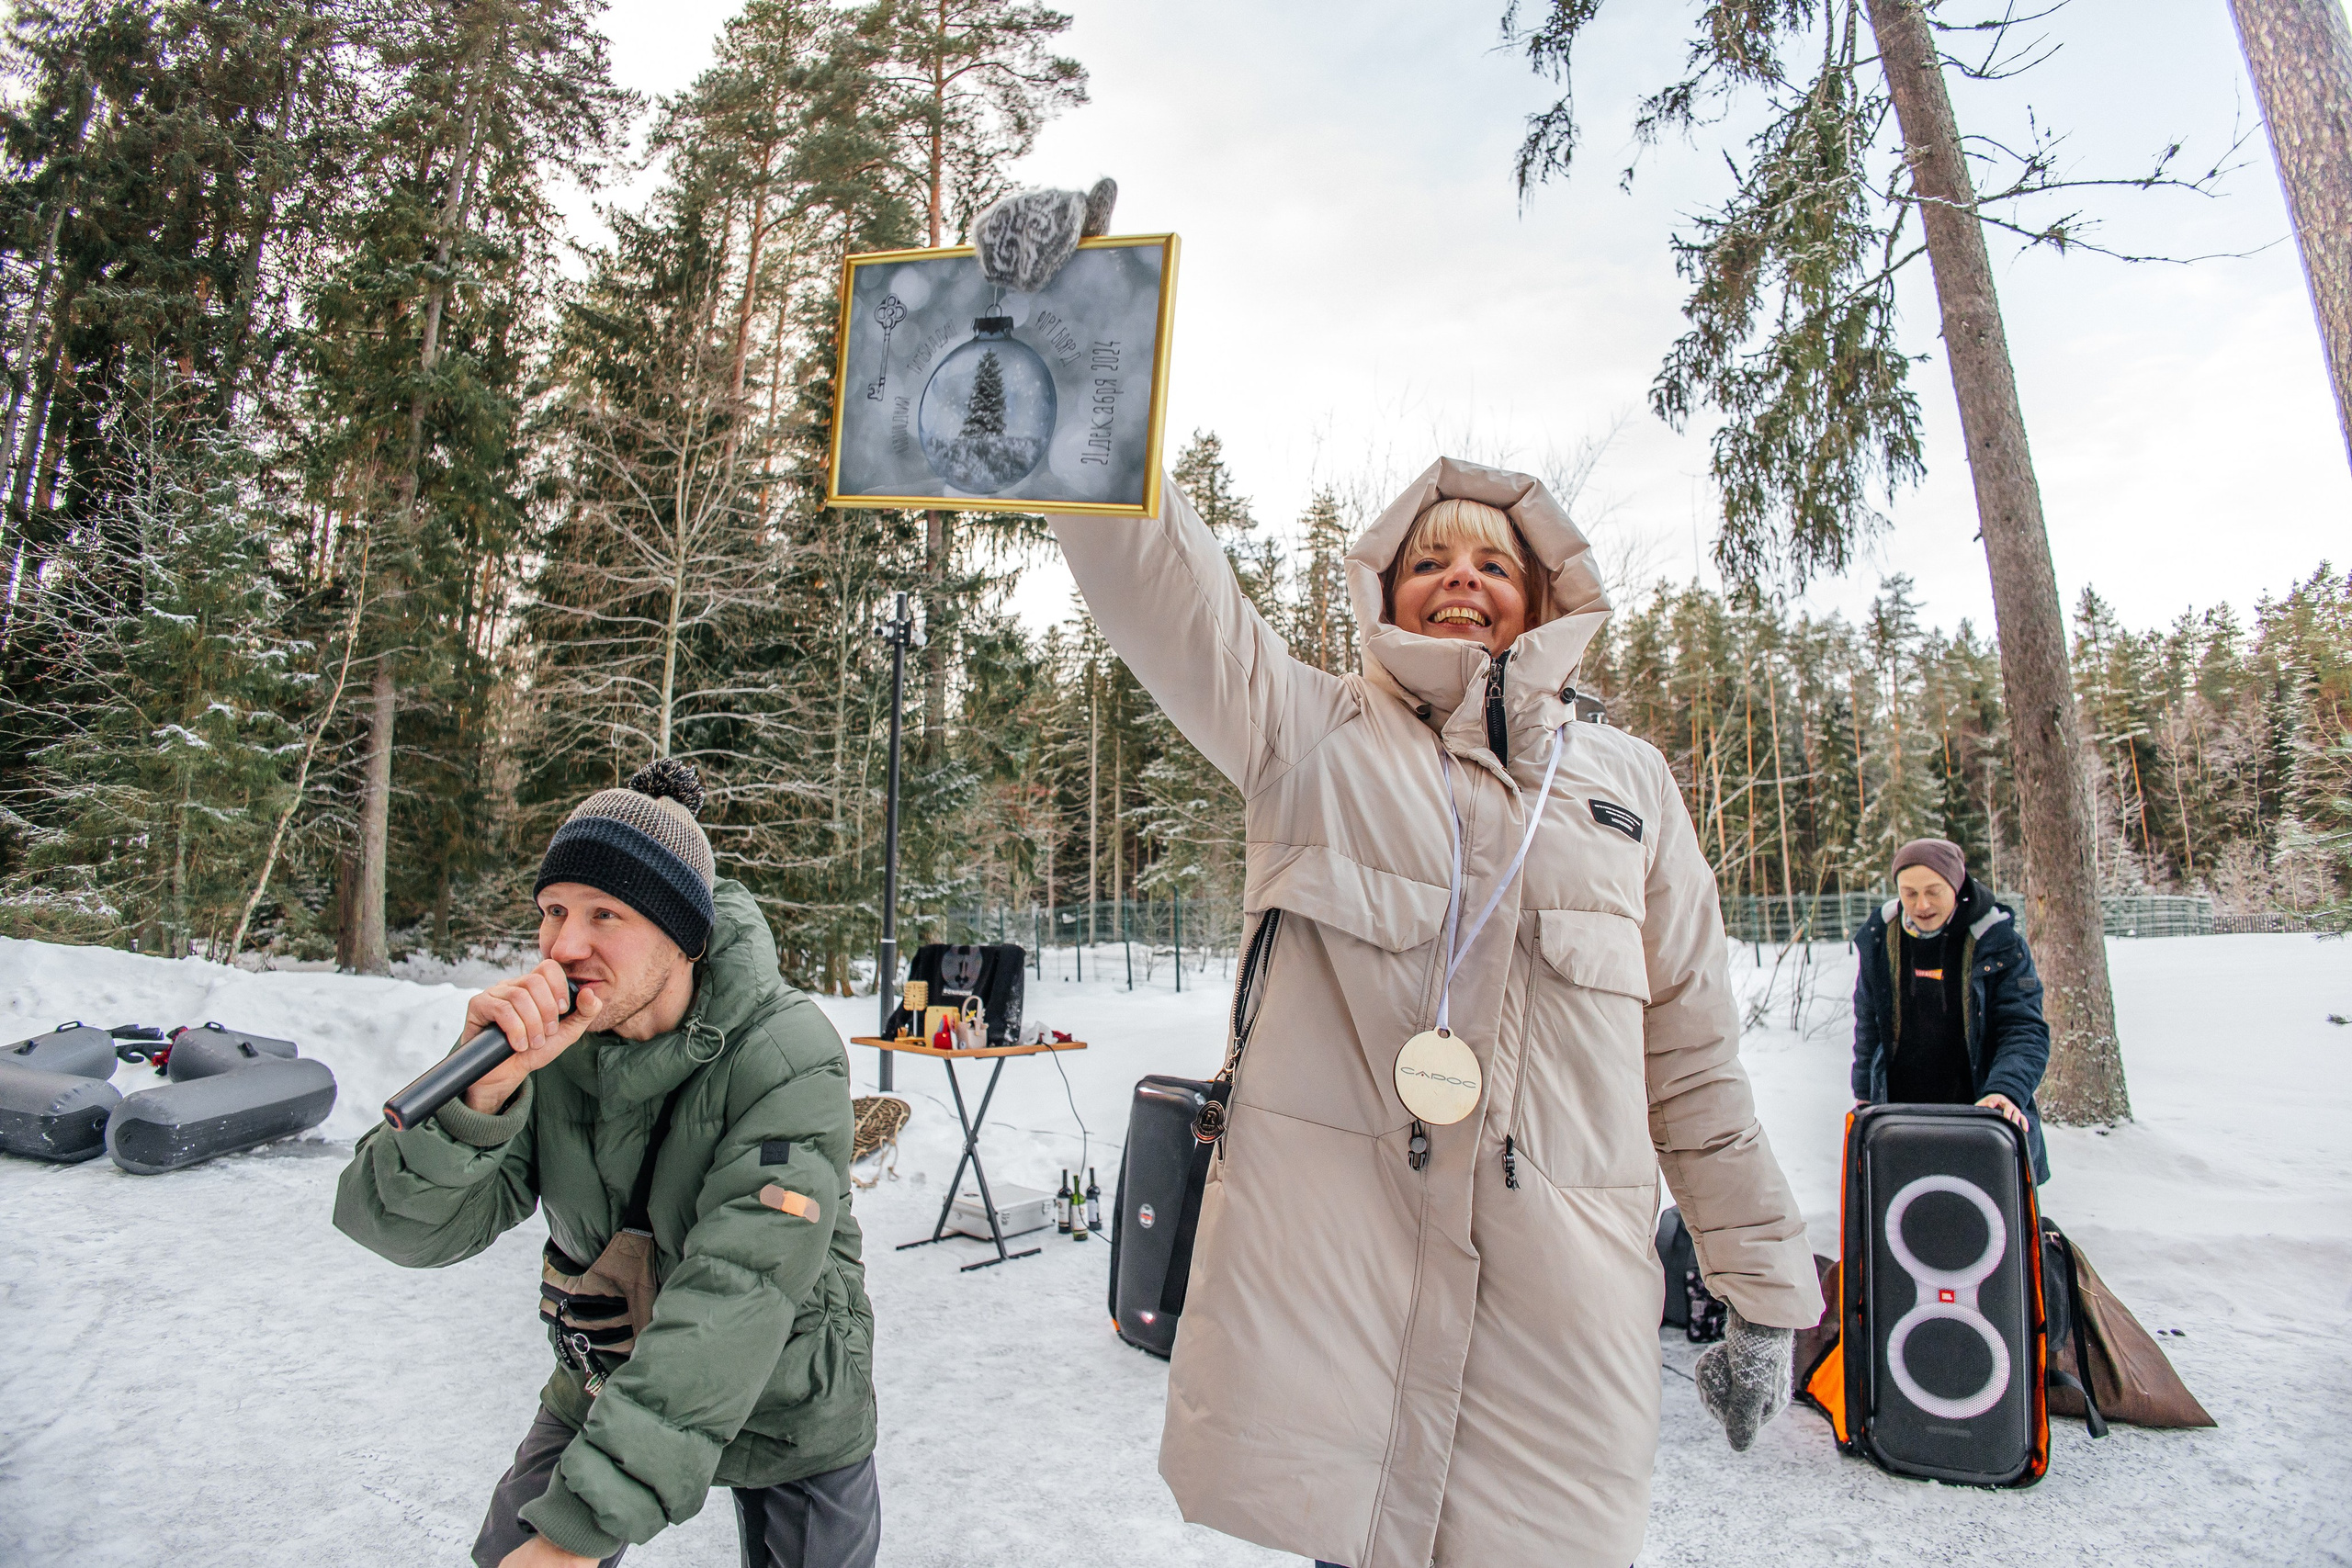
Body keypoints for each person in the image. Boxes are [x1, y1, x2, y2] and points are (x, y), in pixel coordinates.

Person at [1050, 459, 1822, 1568]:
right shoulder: (1310, 737)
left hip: (1555, 1346)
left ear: (1543, 597)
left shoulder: (1633, 790)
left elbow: (1693, 1064)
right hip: (1343, 1333)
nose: (1460, 580)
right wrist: (1082, 390)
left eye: (1492, 563)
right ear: (1386, 589)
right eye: (1428, 561)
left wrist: (1760, 1288)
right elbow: (1163, 584)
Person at [334, 761, 879, 1568]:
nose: (563, 944)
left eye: (604, 913)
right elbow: (399, 1229)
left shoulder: (789, 1052)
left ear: (682, 934)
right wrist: (475, 1099)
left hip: (789, 1389)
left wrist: (574, 1534)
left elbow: (739, 1289)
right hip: (607, 1367)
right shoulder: (552, 1047)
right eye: (553, 910)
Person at [1851, 837, 2052, 1182]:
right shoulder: (1881, 939)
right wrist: (1865, 1096)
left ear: (1956, 886)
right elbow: (1868, 1023)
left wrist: (2005, 1091)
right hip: (1903, 1120)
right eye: (1909, 893)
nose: (1921, 904)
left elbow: (2025, 1030)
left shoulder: (1999, 944)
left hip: (1981, 1118)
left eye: (1934, 891)